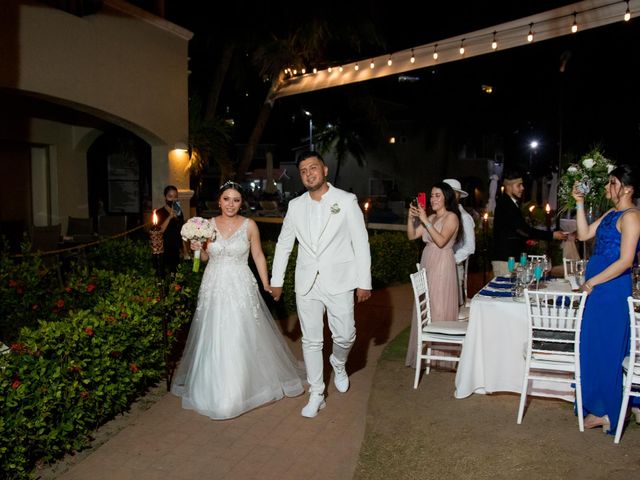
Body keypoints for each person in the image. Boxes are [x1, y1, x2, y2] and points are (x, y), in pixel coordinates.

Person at [171, 181, 304, 420]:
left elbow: (258, 255)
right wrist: (195, 248)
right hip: (213, 285)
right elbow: (201, 260)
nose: (230, 204)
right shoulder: (207, 225)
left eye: (236, 200)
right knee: (213, 334)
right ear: (219, 201)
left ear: (241, 202)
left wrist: (267, 283)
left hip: (241, 284)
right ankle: (213, 388)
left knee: (240, 333)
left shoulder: (249, 225)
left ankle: (242, 389)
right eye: (226, 199)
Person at [270, 151, 372, 418]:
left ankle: (338, 363)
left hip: (339, 281)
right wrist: (276, 280)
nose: (308, 174)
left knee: (346, 335)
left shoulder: (346, 201)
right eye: (303, 171)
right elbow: (284, 244)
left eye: (312, 168)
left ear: (325, 170)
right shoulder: (295, 206)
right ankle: (317, 393)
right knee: (312, 341)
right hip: (307, 283)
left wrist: (364, 282)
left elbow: (360, 244)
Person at [572, 164, 640, 433]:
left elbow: (625, 261)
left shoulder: (632, 216)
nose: (607, 187)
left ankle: (612, 411)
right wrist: (579, 203)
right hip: (598, 288)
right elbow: (584, 234)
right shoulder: (613, 212)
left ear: (628, 188)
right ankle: (600, 408)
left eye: (612, 182)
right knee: (592, 348)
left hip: (611, 289)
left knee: (610, 351)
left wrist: (592, 281)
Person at [405, 181, 461, 369]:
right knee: (427, 306)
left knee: (438, 306)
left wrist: (425, 220)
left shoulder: (452, 217)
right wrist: (411, 216)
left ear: (446, 197)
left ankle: (440, 358)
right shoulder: (431, 217)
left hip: (442, 265)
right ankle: (427, 356)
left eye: (437, 195)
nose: (433, 199)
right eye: (431, 195)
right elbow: (412, 235)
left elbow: (441, 241)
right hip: (428, 262)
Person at [491, 170, 568, 277]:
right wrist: (552, 235)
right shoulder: (506, 205)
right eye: (519, 185)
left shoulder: (510, 203)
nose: (522, 188)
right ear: (508, 187)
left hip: (510, 259)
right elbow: (523, 230)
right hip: (506, 261)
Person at [443, 178, 476, 307]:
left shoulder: (464, 217)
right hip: (439, 266)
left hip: (453, 267)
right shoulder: (441, 215)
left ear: (457, 196)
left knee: (451, 305)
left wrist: (451, 259)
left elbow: (469, 246)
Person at [155, 185, 187, 273]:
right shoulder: (159, 212)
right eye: (170, 196)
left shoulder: (179, 212)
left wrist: (185, 250)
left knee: (177, 277)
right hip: (165, 249)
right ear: (165, 197)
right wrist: (170, 217)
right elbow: (159, 231)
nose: (173, 199)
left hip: (176, 249)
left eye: (175, 197)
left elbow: (181, 232)